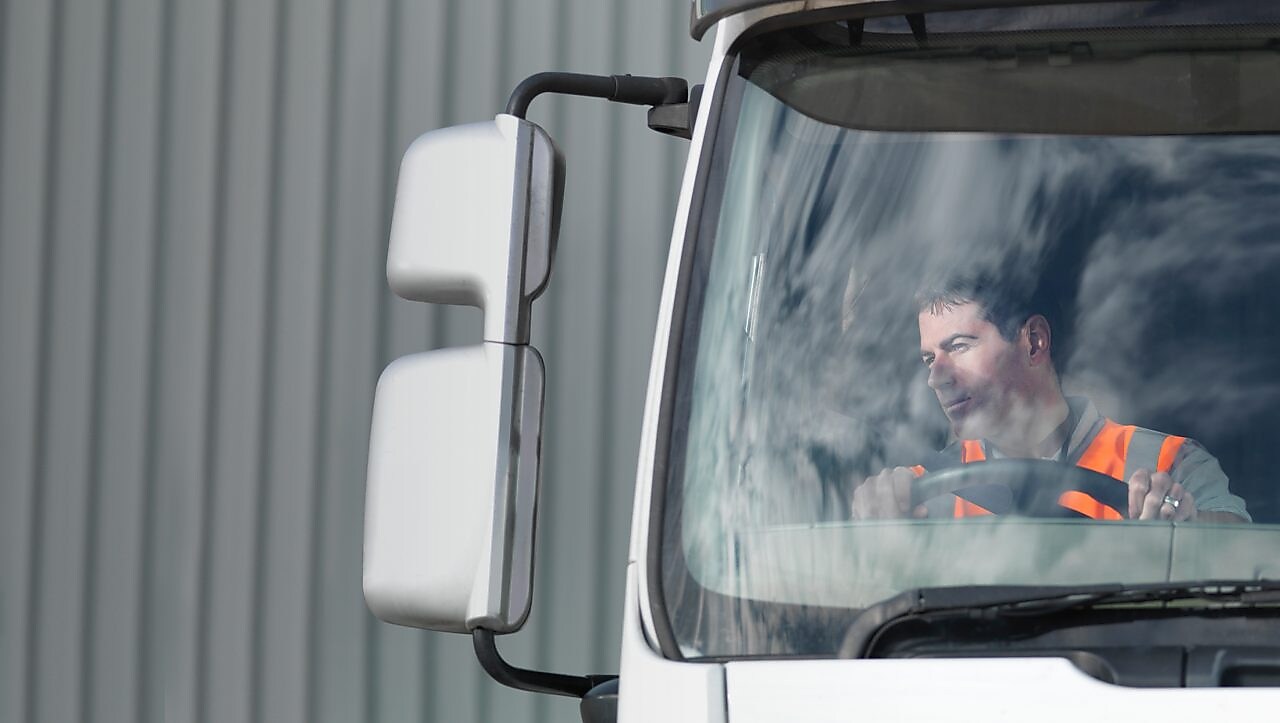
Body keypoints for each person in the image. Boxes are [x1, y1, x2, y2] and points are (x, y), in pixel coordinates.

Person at [851, 276, 1250, 522]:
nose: (935, 377)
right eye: (928, 358)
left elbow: (1240, 548)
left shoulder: (1170, 463)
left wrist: (1189, 523)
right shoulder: (923, 491)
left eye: (958, 346)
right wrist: (873, 526)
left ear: (1034, 342)